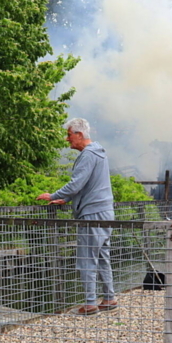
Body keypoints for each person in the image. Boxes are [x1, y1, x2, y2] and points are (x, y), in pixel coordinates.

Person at [36, 118, 116, 315]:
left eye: (69, 134)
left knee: (86, 258)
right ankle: (109, 298)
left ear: (79, 134)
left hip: (92, 213)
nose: (67, 139)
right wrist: (66, 199)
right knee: (102, 256)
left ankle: (90, 304)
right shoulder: (99, 152)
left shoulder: (88, 155)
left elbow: (76, 183)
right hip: (105, 211)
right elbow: (89, 185)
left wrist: (53, 195)